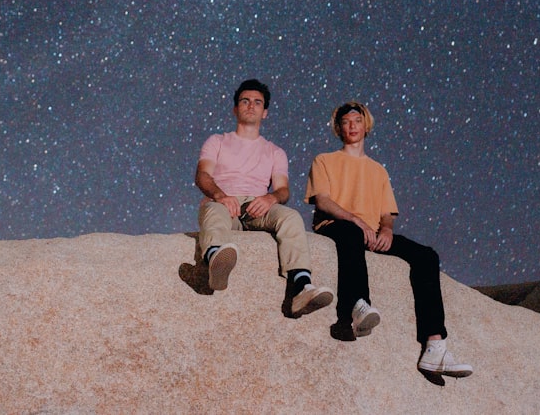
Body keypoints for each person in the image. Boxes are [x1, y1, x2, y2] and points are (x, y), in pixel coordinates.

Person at [305, 101, 472, 378]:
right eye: (346, 121)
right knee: (351, 233)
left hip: (371, 232)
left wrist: (386, 230)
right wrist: (355, 219)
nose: (352, 126)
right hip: (337, 225)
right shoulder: (324, 160)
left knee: (426, 256)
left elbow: (387, 213)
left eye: (357, 120)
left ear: (366, 125)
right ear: (338, 128)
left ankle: (435, 346)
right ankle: (356, 309)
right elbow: (322, 201)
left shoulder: (378, 170)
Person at [195, 79, 333, 317]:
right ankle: (216, 260)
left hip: (257, 206)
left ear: (265, 112)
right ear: (235, 108)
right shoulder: (217, 141)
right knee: (214, 210)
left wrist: (271, 199)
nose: (251, 106)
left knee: (290, 217)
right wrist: (221, 195)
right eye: (245, 101)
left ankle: (301, 285)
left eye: (257, 102)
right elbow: (202, 175)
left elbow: (283, 190)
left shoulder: (275, 151)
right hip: (224, 201)